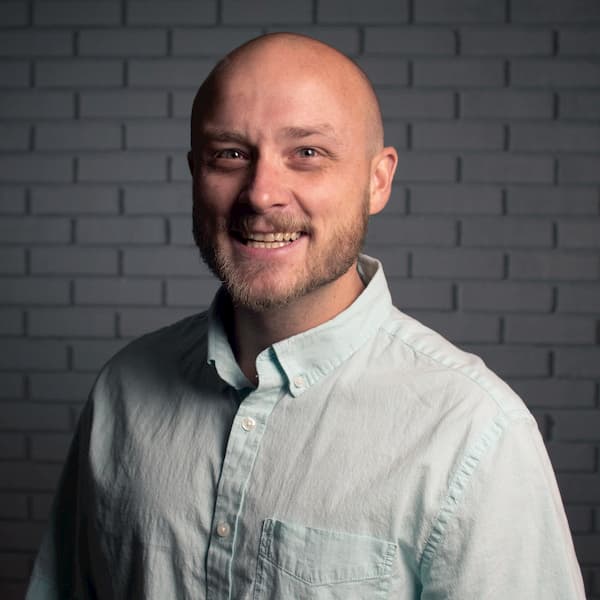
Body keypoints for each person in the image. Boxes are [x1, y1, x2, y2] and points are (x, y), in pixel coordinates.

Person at [27, 33, 585, 599]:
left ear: (377, 181)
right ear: (195, 173)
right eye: (231, 154)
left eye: (308, 153)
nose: (261, 194)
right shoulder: (122, 392)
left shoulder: (473, 432)